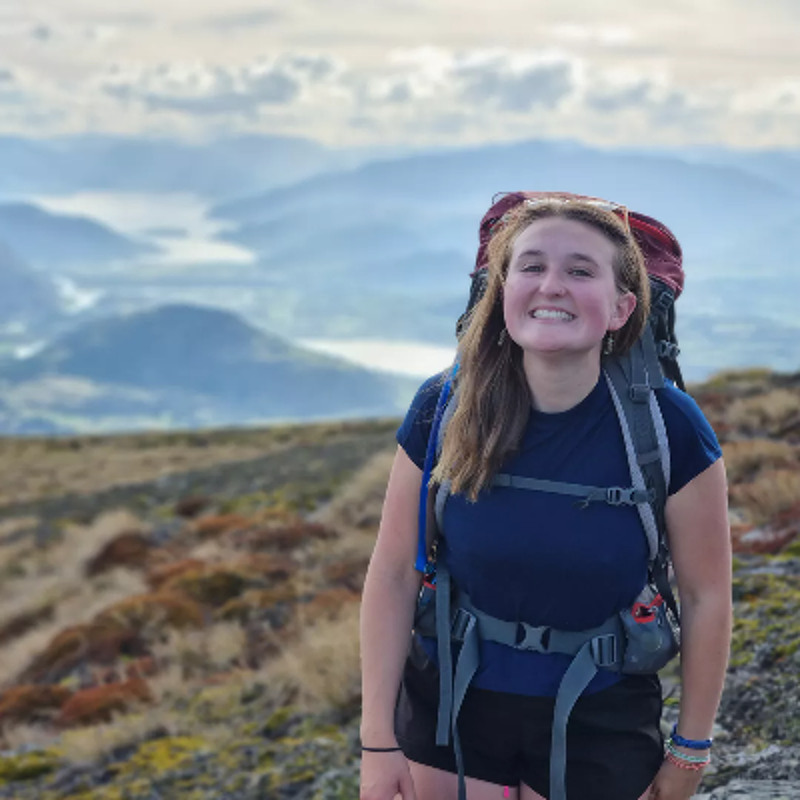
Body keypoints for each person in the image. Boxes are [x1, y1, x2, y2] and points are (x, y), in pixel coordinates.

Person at [359, 197, 732, 800]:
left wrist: (690, 751)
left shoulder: (669, 428)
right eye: (530, 267)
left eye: (580, 271)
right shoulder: (443, 407)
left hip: (603, 722)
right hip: (449, 711)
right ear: (501, 291)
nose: (550, 286)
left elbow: (705, 596)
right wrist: (377, 741)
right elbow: (395, 571)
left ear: (622, 308)